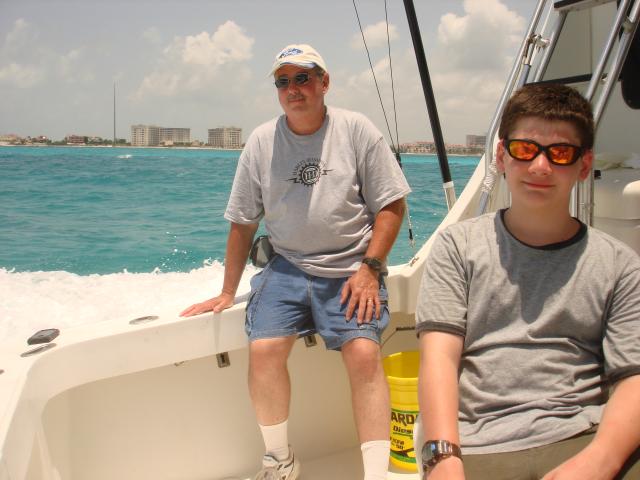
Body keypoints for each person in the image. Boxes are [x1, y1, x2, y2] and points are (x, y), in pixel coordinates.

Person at [181, 44, 411, 480]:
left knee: (364, 355)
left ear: (324, 82)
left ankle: (376, 475)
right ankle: (279, 460)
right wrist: (227, 292)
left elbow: (392, 206)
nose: (293, 89)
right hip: (287, 266)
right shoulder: (261, 142)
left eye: (303, 78)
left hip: (351, 267)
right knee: (264, 350)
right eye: (283, 81)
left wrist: (370, 268)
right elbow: (243, 222)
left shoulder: (357, 130)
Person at [414, 83, 640, 480]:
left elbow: (633, 377)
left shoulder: (620, 265)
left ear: (583, 164)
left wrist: (600, 461)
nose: (540, 166)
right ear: (502, 156)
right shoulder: (457, 247)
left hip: (585, 435)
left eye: (561, 153)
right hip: (478, 445)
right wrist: (443, 459)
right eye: (525, 149)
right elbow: (439, 359)